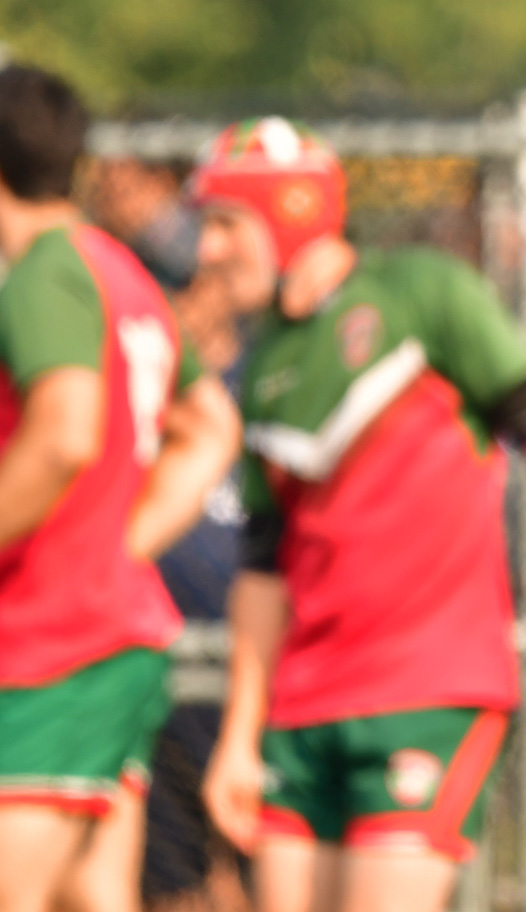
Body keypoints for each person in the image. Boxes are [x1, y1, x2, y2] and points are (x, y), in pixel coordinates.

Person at [189, 118, 526, 912]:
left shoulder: (421, 292)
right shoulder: (262, 365)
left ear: (289, 213)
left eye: (226, 225)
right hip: (302, 703)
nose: (208, 252)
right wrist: (236, 738)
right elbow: (263, 569)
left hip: (428, 688)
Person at [0, 65, 241, 912]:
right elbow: (210, 423)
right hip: (112, 632)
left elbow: (63, 434)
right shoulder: (120, 269)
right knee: (94, 894)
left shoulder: (46, 274)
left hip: (50, 643)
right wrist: (121, 543)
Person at [89, 155, 254, 912]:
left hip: (258, 674)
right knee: (174, 887)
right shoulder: (126, 393)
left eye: (186, 281)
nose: (175, 301)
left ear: (221, 284)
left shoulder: (270, 381)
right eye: (159, 283)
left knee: (260, 880)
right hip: (166, 677)